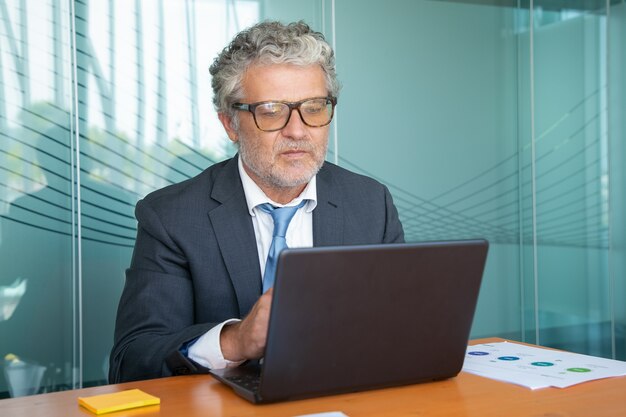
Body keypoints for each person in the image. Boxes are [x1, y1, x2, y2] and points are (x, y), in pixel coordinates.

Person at [109, 20, 404, 383]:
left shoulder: (371, 203)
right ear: (230, 124)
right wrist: (235, 341)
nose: (297, 130)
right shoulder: (171, 217)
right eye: (270, 111)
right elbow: (132, 359)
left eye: (314, 107)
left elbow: (401, 330)